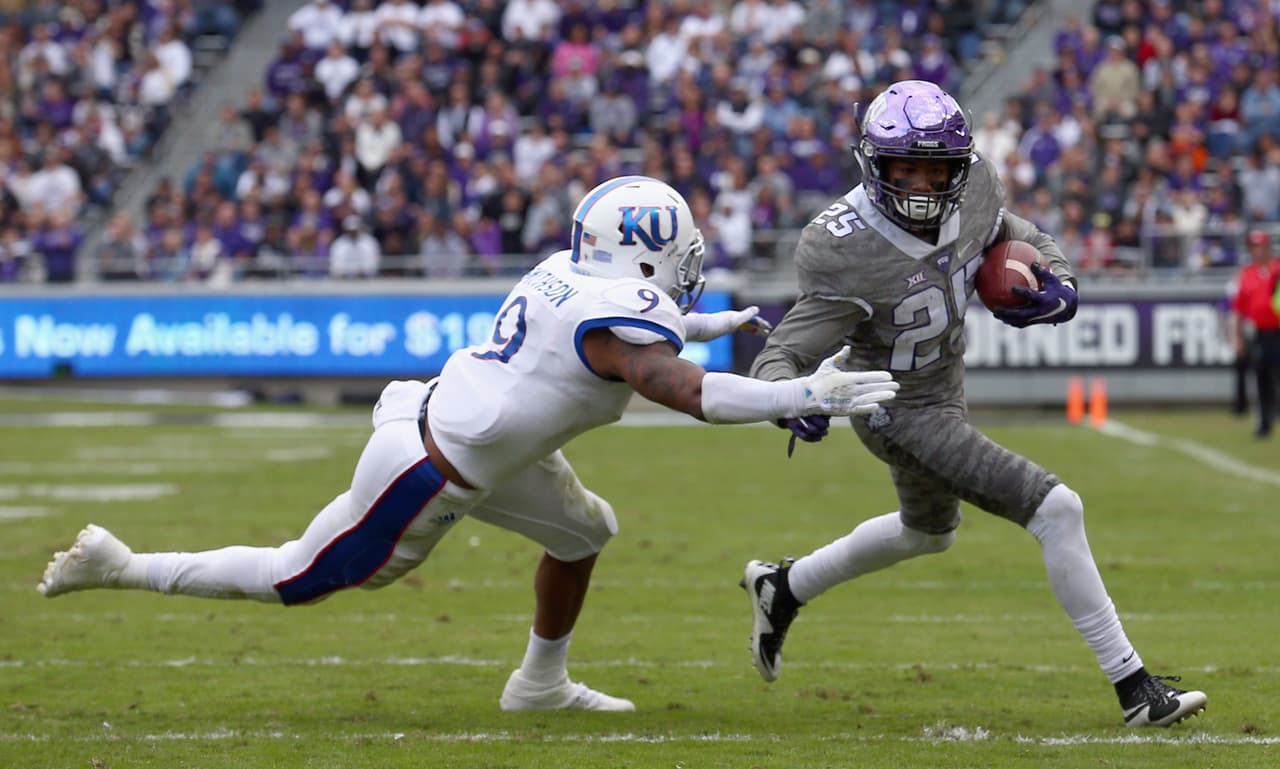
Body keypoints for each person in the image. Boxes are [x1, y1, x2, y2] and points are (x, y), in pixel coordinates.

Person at [37, 176, 898, 712]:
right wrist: (797, 391)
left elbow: (644, 334)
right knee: (295, 577)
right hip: (427, 471)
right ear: (642, 255)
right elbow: (670, 383)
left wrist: (716, 320)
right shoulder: (620, 326)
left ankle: (539, 684)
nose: (688, 268)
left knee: (584, 531)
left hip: (469, 432)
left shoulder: (570, 275)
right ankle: (122, 563)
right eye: (678, 255)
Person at [737, 81, 1208, 728]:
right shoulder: (841, 245)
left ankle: (783, 587)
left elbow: (1014, 233)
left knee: (927, 533)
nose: (926, 185)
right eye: (908, 168)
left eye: (939, 169)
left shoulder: (978, 186)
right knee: (1056, 507)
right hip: (892, 404)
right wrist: (790, 400)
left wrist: (1061, 280)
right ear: (875, 165)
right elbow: (782, 351)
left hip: (945, 386)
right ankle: (1135, 688)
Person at [1231, 228, 1280, 438]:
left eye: (1260, 246)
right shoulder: (1246, 274)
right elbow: (1238, 309)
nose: (1257, 251)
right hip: (1260, 332)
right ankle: (1264, 422)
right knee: (1261, 377)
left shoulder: (1277, 269)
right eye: (1254, 247)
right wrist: (1237, 337)